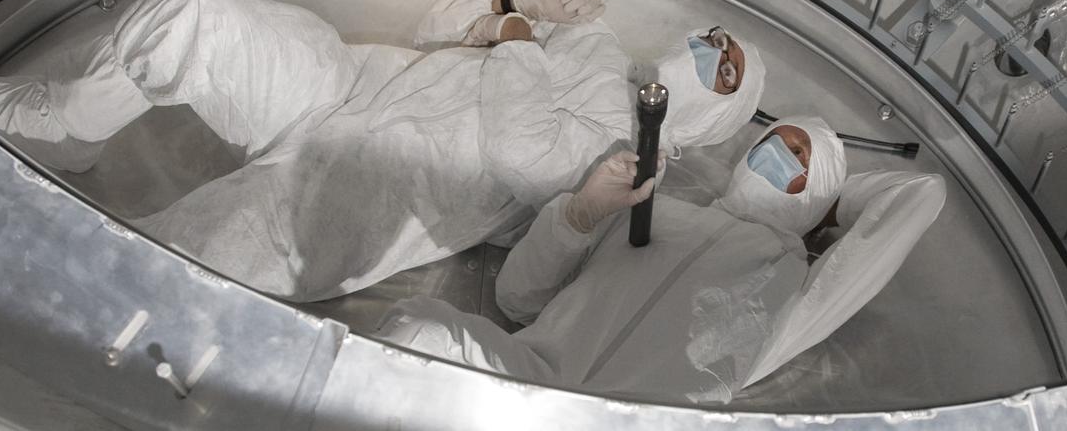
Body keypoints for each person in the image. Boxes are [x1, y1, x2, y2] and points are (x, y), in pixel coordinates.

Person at [0, 0, 765, 300]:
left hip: (363, 193)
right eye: (714, 39)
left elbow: (522, 189)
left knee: (152, 278)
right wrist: (516, 3)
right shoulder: (595, 38)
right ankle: (72, 123)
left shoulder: (631, 175)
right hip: (350, 79)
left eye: (724, 71)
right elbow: (433, 23)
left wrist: (582, 208)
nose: (706, 55)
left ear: (718, 113)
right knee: (202, 6)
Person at [377, 117, 946, 405]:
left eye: (801, 156)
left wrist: (834, 201)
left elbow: (918, 199)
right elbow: (517, 299)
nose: (777, 152)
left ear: (822, 190)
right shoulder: (657, 209)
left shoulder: (797, 278)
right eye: (775, 140)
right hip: (533, 380)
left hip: (633, 421)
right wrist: (577, 216)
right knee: (416, 329)